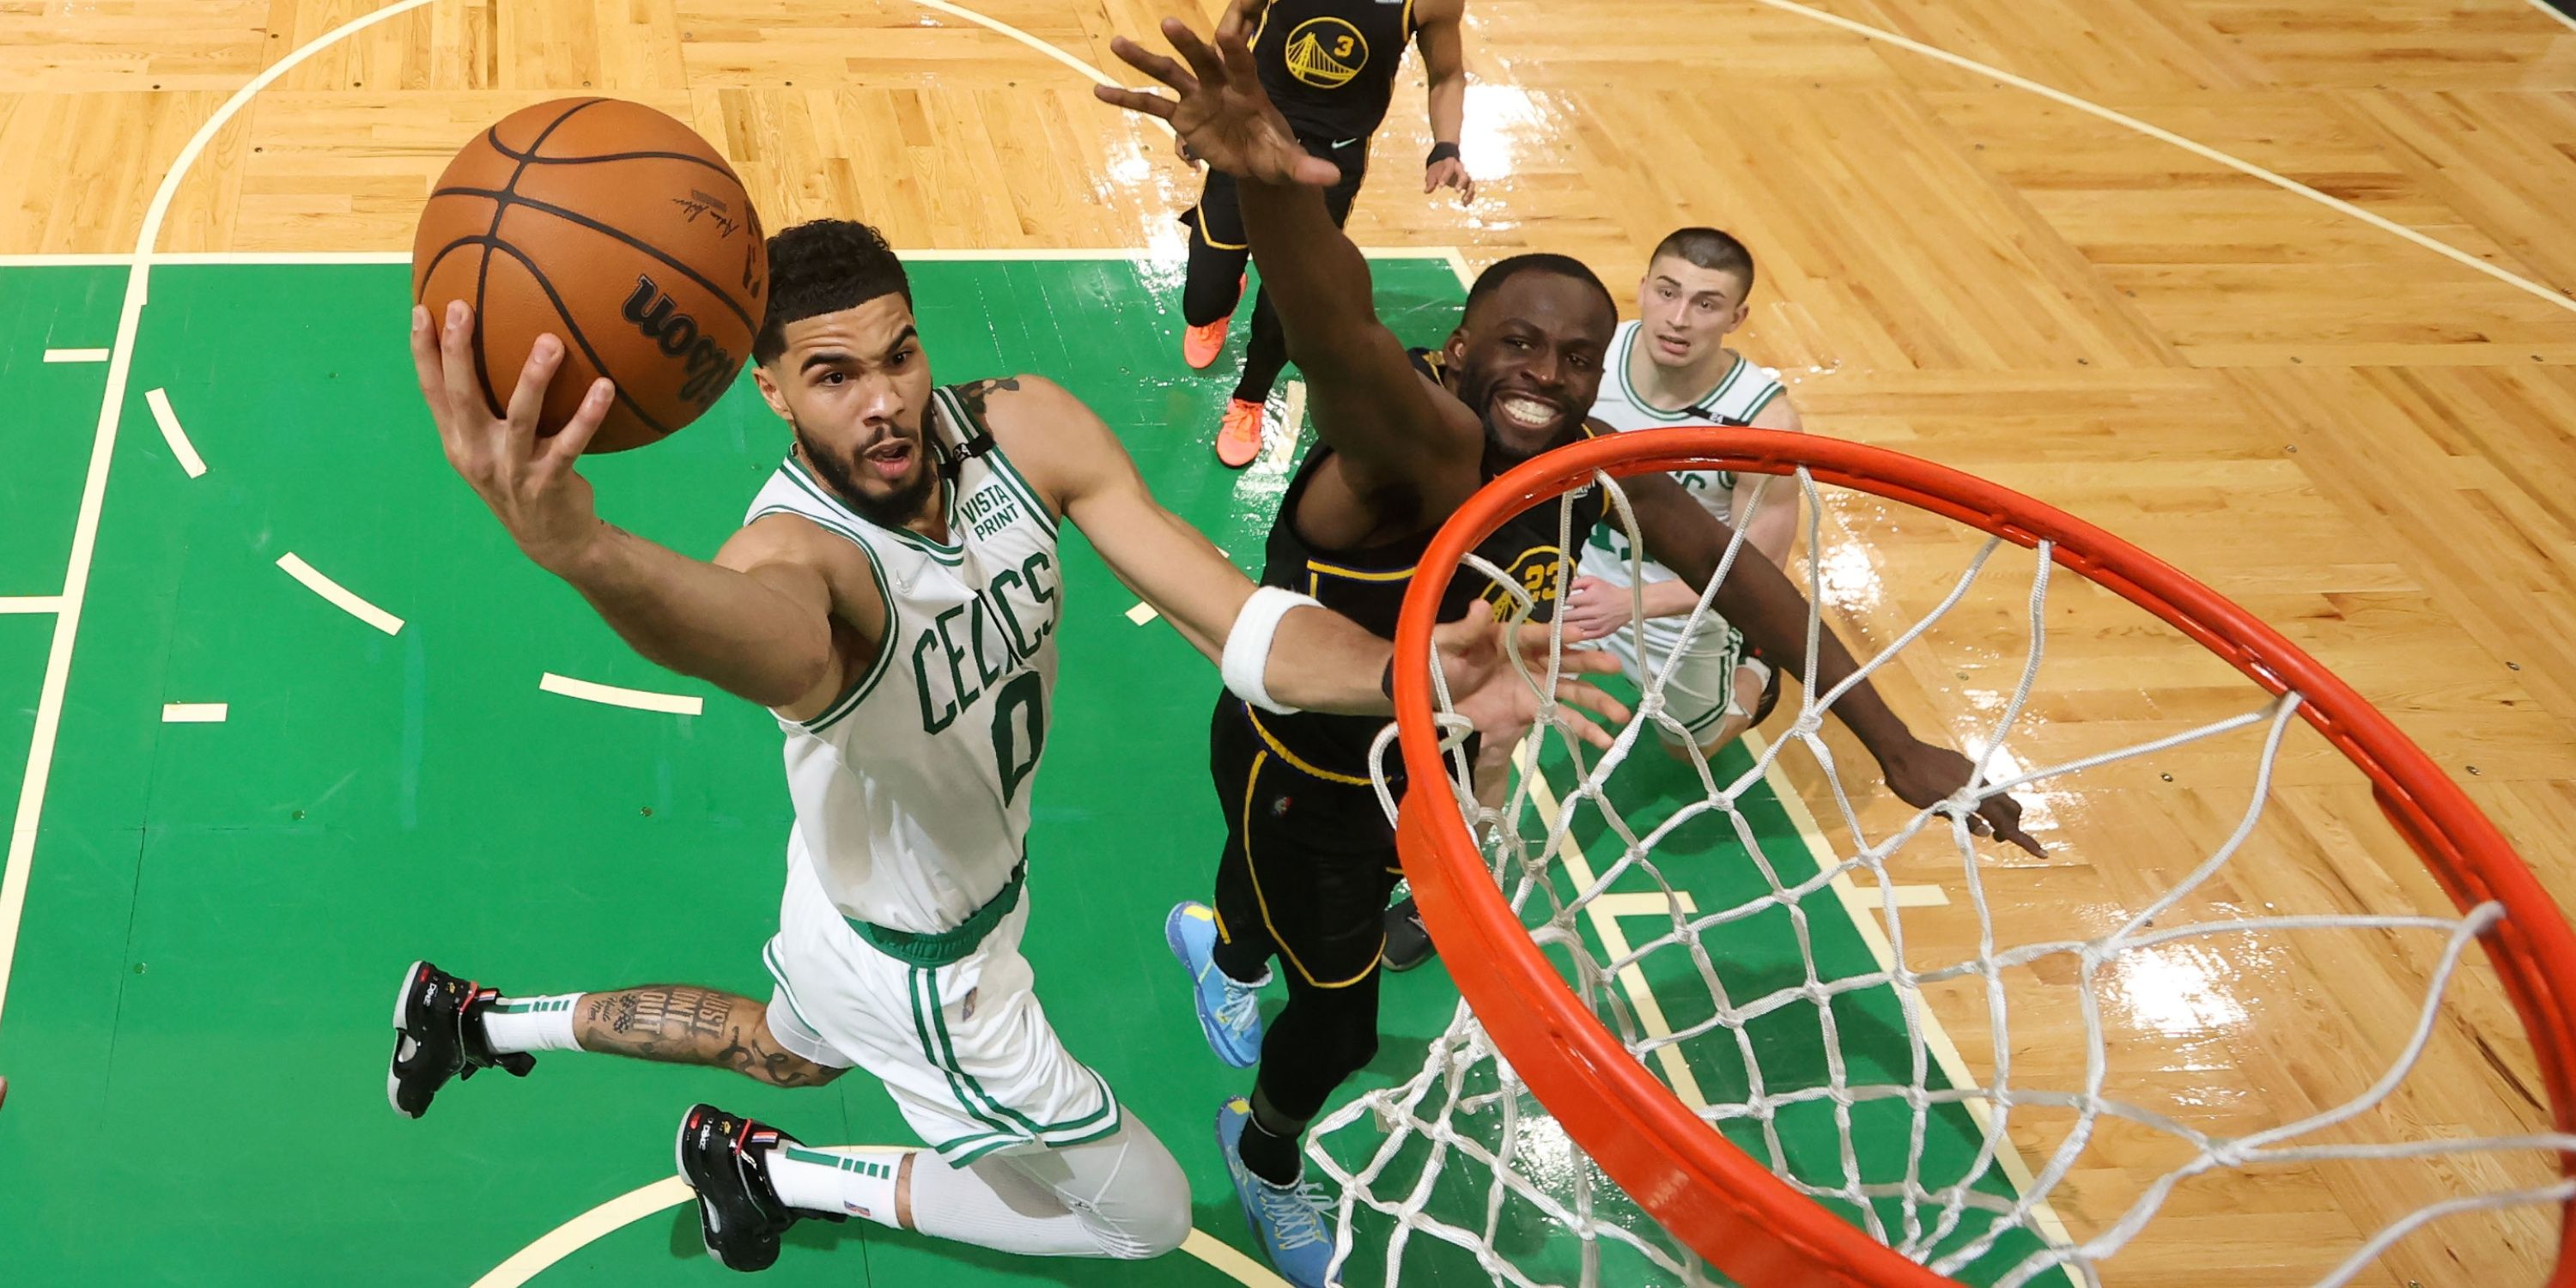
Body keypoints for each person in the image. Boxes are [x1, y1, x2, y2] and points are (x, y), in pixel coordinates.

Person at [388, 219, 1619, 1275]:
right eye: (830, 376)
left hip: (842, 893)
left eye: (899, 354)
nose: (882, 400)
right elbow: (737, 632)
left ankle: (477, 1023)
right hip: (933, 976)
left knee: (783, 1049)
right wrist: (585, 552)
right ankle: (786, 1178)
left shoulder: (1024, 428)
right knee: (1137, 1219)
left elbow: (1235, 622)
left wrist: (1408, 682)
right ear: (770, 389)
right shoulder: (800, 559)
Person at [1097, 13, 2040, 1287]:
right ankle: (1265, 1156)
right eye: (1518, 344)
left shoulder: (1585, 465)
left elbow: (1745, 579)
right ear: (1461, 351)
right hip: (1306, 767)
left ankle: (1220, 946)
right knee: (1340, 1017)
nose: (1546, 371)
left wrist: (1895, 741)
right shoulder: (1421, 445)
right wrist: (1271, 194)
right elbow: (1342, 340)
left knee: (1268, 915)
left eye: (1576, 354)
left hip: (1411, 755)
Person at [1176, 0, 1474, 468]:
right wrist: (1214, 101)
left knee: (1286, 311)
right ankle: (1223, 296)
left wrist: (1446, 145)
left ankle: (1248, 402)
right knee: (1200, 303)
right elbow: (1240, 18)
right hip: (1250, 136)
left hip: (1330, 163)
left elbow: (1447, 75)